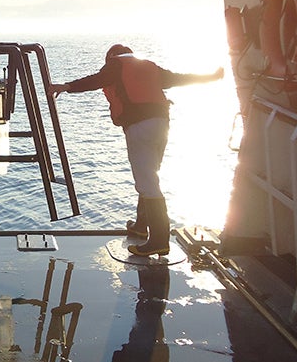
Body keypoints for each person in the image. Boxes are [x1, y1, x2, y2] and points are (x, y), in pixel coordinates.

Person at [48, 44, 223, 256]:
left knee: (147, 183)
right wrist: (211, 77)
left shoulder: (116, 64)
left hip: (141, 127)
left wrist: (66, 86)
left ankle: (159, 240)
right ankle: (141, 227)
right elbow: (179, 78)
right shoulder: (148, 66)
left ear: (111, 56)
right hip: (162, 125)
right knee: (150, 175)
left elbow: (97, 80)